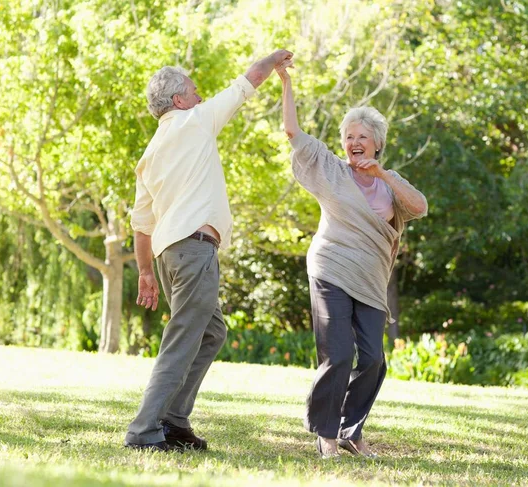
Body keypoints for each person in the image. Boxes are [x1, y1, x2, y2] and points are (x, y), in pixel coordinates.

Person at [125, 49, 294, 452]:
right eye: (195, 91)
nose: (201, 96)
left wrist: (146, 273)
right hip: (193, 250)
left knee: (212, 332)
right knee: (183, 338)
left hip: (169, 256)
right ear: (179, 100)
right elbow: (246, 82)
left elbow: (141, 225)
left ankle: (174, 420)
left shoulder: (149, 154)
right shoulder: (196, 121)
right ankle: (144, 431)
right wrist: (273, 60)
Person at [276, 59, 428, 458]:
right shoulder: (331, 170)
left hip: (371, 279)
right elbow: (293, 131)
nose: (354, 141)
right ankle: (326, 434)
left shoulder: (389, 182)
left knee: (374, 359)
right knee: (339, 353)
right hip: (330, 268)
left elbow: (421, 206)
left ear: (377, 142)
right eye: (348, 136)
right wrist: (286, 82)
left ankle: (350, 430)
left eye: (362, 136)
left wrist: (384, 175)